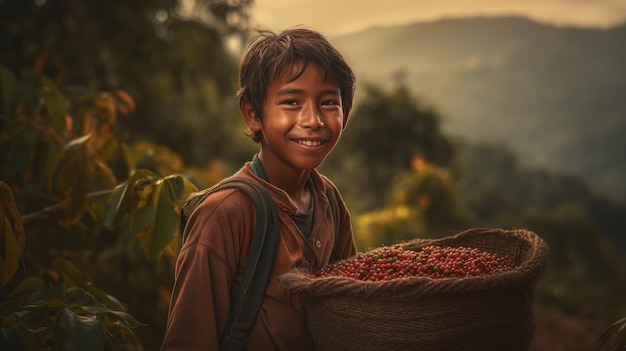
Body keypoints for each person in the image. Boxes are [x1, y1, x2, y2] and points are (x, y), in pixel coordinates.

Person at [161, 27, 358, 350]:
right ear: (253, 114)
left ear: (344, 113)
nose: (313, 120)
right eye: (292, 102)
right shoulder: (224, 214)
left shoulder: (329, 202)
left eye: (328, 103)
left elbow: (349, 310)